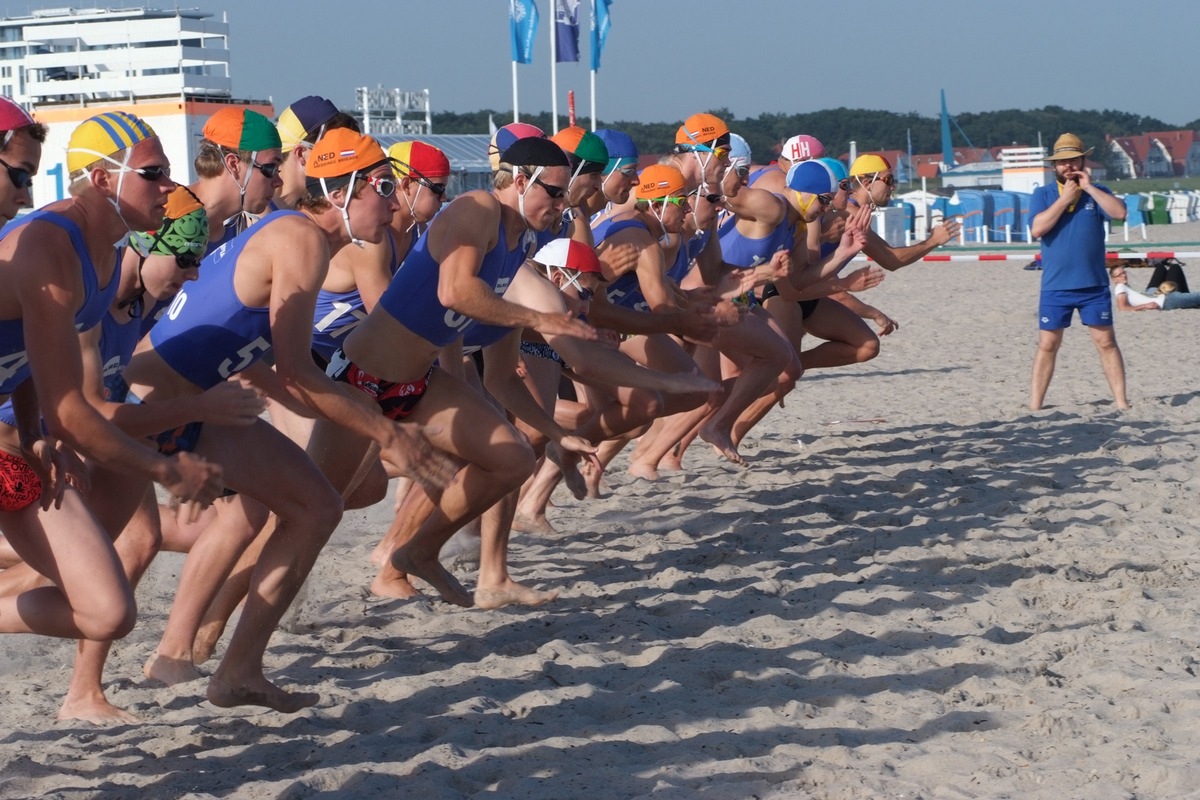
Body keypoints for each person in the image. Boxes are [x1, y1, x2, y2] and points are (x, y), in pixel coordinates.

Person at [125, 128, 455, 711]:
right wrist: (382, 430)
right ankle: (192, 658)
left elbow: (274, 366)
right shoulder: (300, 239)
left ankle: (225, 664)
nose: (394, 198)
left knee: (302, 503)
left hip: (188, 397)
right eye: (383, 186)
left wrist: (357, 420)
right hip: (153, 404)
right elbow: (297, 371)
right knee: (113, 560)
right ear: (343, 192)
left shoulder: (300, 237)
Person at [306, 136, 596, 610]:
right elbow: (455, 293)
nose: (563, 206)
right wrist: (539, 318)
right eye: (556, 192)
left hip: (417, 385)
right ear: (520, 181)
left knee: (514, 459)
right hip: (360, 379)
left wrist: (553, 434)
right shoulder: (475, 207)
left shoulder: (517, 240)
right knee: (316, 511)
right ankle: (214, 623)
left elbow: (501, 377)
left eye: (567, 195)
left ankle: (418, 551)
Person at [0, 110, 224, 714]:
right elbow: (76, 408)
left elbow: (27, 363)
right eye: (153, 174)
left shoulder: (103, 257)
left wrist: (33, 434)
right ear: (102, 179)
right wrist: (166, 469)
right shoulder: (48, 242)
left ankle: (83, 689)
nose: (169, 189)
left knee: (107, 611)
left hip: (7, 447)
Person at [1027, 133, 1129, 411]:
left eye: (1073, 159)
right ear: (1054, 166)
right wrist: (1065, 200)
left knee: (1106, 341)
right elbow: (1037, 229)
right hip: (1055, 285)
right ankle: (1035, 405)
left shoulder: (1099, 191)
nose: (1068, 166)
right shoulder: (1043, 194)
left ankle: (1121, 401)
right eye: (1062, 161)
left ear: (1084, 161)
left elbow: (1119, 213)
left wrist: (1090, 188)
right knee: (1048, 344)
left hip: (1093, 284)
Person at [1110, 264, 1200, 311]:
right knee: (1196, 297)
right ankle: (1188, 300)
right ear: (1114, 279)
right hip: (1164, 300)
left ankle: (1187, 299)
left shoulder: (1125, 286)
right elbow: (1123, 308)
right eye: (1119, 275)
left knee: (1163, 268)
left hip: (1153, 293)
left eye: (1124, 273)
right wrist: (1146, 306)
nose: (1124, 276)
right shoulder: (1120, 287)